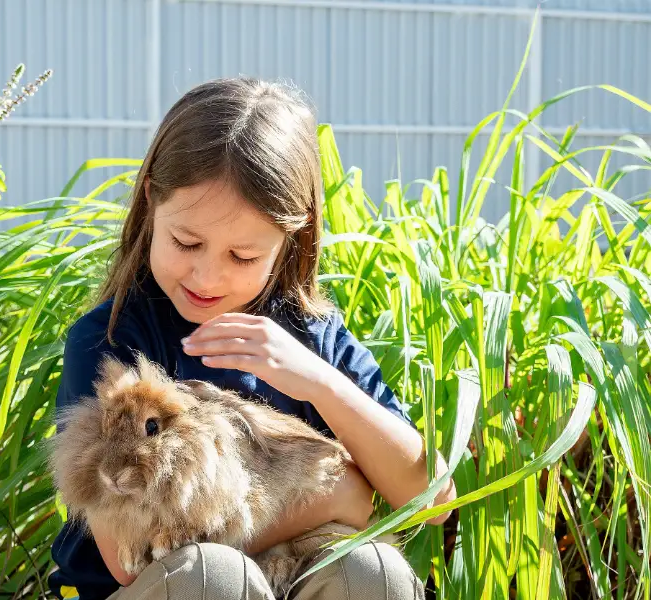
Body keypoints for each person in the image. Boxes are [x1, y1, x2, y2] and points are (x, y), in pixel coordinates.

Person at [48, 77, 455, 600]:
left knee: (371, 573)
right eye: (186, 242)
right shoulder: (109, 343)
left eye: (242, 257)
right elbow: (133, 556)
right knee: (213, 578)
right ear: (151, 200)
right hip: (166, 589)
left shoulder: (311, 338)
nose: (207, 277)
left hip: (292, 576)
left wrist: (319, 384)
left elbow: (432, 499)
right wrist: (340, 495)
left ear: (291, 237)